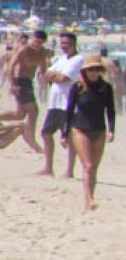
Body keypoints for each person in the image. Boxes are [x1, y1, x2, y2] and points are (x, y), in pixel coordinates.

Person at [65, 53, 118, 211]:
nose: (93, 72)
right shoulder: (78, 87)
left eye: (96, 69)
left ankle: (89, 199)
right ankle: (90, 199)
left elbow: (111, 110)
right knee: (87, 165)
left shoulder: (106, 88)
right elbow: (69, 110)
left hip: (99, 130)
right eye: (90, 69)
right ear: (85, 71)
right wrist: (64, 133)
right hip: (80, 129)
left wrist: (112, 130)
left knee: (94, 167)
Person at [38, 31, 84, 178]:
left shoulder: (78, 59)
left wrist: (53, 76)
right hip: (54, 103)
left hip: (69, 104)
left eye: (67, 43)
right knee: (46, 133)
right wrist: (53, 76)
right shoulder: (61, 59)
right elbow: (45, 75)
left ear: (74, 44)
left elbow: (64, 78)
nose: (64, 46)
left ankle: (69, 171)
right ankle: (48, 167)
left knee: (70, 138)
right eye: (62, 43)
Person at [3, 29, 49, 157]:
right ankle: (32, 141)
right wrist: (12, 84)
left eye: (39, 42)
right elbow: (12, 65)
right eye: (34, 41)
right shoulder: (24, 49)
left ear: (43, 42)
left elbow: (43, 69)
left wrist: (45, 81)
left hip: (29, 82)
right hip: (20, 81)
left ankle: (31, 140)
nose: (36, 44)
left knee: (19, 114)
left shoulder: (42, 53)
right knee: (33, 111)